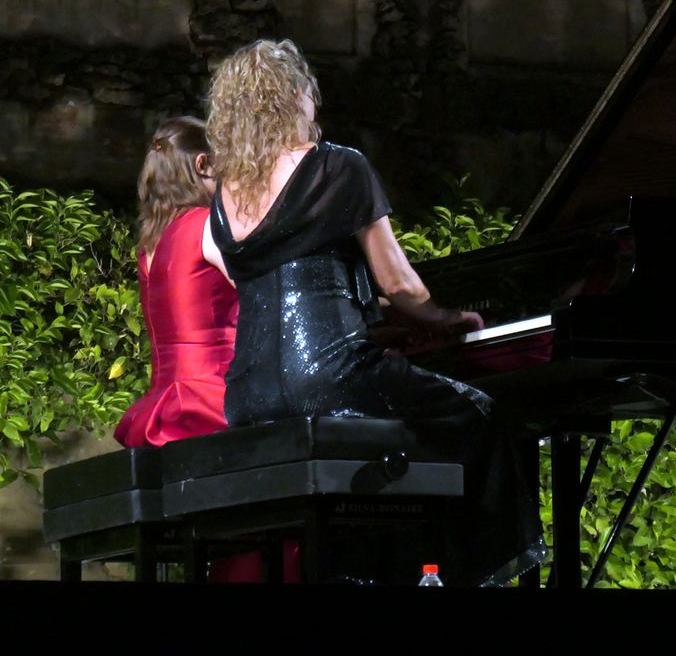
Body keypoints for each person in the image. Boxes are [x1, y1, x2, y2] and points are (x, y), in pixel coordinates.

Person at [202, 39, 543, 586]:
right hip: (331, 377)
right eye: (311, 93)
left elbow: (272, 282)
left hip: (248, 395)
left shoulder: (223, 197)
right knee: (479, 414)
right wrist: (443, 318)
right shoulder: (339, 165)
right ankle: (466, 577)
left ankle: (379, 569)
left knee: (396, 449)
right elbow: (399, 282)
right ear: (295, 96)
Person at [114, 117, 238, 448]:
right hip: (215, 399)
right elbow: (266, 295)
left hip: (163, 404)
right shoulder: (206, 226)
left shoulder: (150, 244)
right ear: (203, 164)